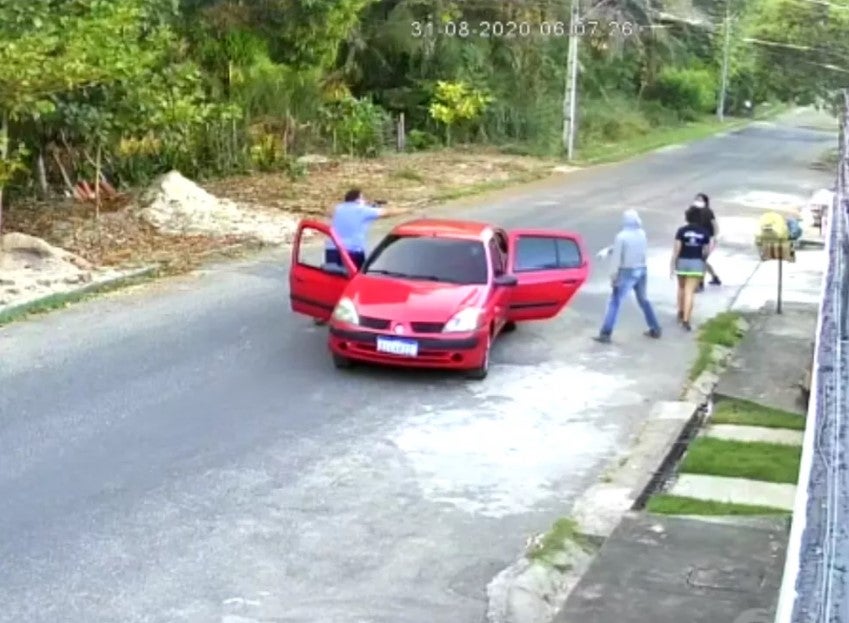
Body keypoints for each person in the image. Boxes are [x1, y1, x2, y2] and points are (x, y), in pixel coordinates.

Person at [593, 209, 662, 343]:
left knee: (615, 302)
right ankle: (655, 328)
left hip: (626, 272)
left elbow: (617, 258)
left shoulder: (621, 236)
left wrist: (613, 276)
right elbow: (631, 247)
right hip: (641, 269)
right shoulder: (642, 234)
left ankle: (605, 333)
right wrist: (608, 250)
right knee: (643, 300)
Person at [325, 188, 409, 270]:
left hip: (332, 248)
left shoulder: (338, 208)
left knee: (333, 276)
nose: (364, 201)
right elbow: (387, 212)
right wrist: (406, 210)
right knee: (355, 278)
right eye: (363, 198)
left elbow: (330, 212)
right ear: (358, 199)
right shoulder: (362, 210)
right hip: (351, 251)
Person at [671, 205, 712, 331]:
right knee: (690, 291)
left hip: (682, 262)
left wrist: (672, 264)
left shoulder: (681, 231)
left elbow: (676, 250)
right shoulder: (705, 233)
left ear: (687, 217)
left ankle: (680, 311)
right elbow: (706, 251)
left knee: (681, 288)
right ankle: (686, 320)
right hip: (696, 263)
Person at [692, 192, 721, 290]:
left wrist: (715, 237)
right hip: (700, 240)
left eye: (700, 200)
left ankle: (700, 284)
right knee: (702, 261)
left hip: (708, 240)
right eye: (696, 200)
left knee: (701, 261)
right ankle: (715, 278)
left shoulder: (708, 212)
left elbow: (715, 224)